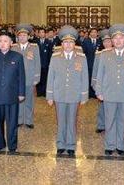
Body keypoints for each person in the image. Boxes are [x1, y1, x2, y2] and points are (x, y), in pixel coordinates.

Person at [94, 24, 124, 156]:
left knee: (122, 120)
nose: (118, 40)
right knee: (109, 120)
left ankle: (120, 145)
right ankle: (109, 144)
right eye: (115, 38)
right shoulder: (104, 54)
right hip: (109, 93)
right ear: (112, 40)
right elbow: (100, 75)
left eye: (121, 38)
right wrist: (99, 91)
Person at [46, 25, 89, 157]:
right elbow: (51, 76)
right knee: (61, 121)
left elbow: (84, 77)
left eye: (71, 42)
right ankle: (60, 144)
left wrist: (84, 96)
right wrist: (49, 95)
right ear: (62, 43)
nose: (68, 45)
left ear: (74, 43)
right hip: (59, 94)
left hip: (74, 95)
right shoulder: (55, 57)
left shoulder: (81, 57)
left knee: (72, 120)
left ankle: (71, 145)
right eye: (65, 42)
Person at [0, 32, 25, 154]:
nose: (2, 43)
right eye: (0, 41)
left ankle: (12, 146)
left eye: (5, 41)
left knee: (12, 122)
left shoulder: (17, 57)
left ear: (11, 43)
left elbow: (21, 77)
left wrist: (21, 92)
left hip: (12, 95)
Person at [11, 24, 41, 128]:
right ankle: (19, 120)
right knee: (18, 100)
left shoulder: (34, 47)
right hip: (16, 79)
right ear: (17, 36)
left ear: (28, 36)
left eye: (24, 35)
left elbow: (37, 63)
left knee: (29, 100)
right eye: (20, 35)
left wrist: (37, 78)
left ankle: (28, 120)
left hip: (29, 78)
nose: (22, 37)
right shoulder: (13, 47)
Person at [92, 29, 112, 134]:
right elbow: (95, 71)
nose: (107, 43)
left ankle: (111, 126)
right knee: (101, 107)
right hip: (102, 85)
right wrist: (95, 85)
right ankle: (101, 124)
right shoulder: (99, 54)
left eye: (109, 41)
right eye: (105, 42)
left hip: (112, 86)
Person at [36, 28, 52, 97]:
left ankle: (44, 92)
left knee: (45, 79)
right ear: (38, 34)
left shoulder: (48, 42)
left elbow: (50, 54)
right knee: (38, 79)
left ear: (45, 34)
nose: (42, 34)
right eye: (40, 32)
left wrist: (49, 64)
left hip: (46, 64)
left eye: (43, 32)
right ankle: (39, 92)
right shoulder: (35, 42)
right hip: (38, 64)